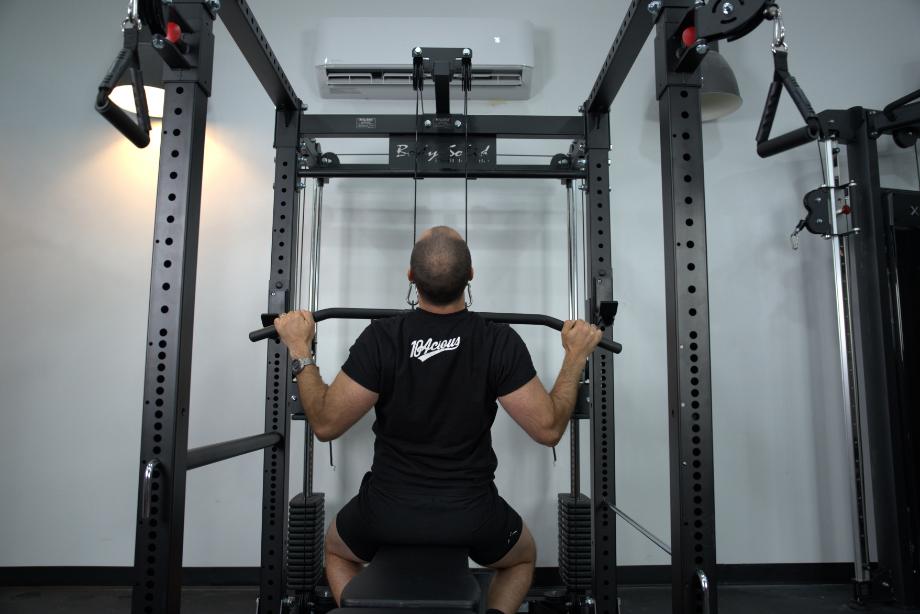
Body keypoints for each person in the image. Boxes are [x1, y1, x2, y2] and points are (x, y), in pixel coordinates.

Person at [274, 225, 602, 614]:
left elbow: (326, 424)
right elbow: (548, 430)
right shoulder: (497, 341)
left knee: (336, 551)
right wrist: (575, 356)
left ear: (410, 277)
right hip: (471, 514)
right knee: (521, 558)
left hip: (385, 513)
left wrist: (299, 348)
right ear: (471, 275)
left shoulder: (382, 338)